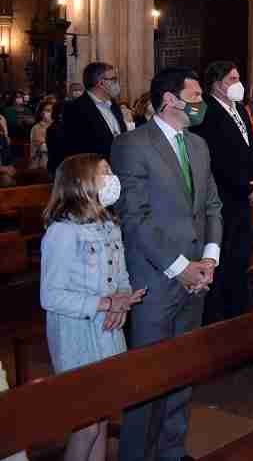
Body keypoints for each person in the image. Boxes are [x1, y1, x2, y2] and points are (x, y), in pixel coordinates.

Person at [112, 66, 223, 461]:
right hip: (157, 278)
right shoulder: (133, 144)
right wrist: (181, 267)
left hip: (197, 274)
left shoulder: (198, 145)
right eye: (194, 95)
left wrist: (209, 259)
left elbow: (211, 205)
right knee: (148, 378)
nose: (200, 103)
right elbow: (135, 218)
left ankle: (172, 452)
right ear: (170, 99)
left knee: (183, 372)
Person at [39, 153, 146, 461]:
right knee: (85, 425)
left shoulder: (109, 224)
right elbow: (51, 295)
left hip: (108, 329)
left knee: (101, 420)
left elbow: (121, 276)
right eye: (105, 172)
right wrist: (105, 302)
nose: (112, 178)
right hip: (76, 333)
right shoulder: (62, 232)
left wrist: (122, 301)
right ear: (82, 183)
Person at [190, 61, 253, 323]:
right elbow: (218, 160)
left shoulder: (240, 110)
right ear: (217, 84)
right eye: (233, 78)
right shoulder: (207, 112)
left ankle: (238, 316)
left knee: (239, 260)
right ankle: (220, 322)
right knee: (222, 263)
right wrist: (247, 188)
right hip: (225, 199)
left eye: (238, 77)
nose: (238, 83)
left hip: (245, 196)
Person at [61, 62, 127, 163]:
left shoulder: (114, 105)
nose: (117, 83)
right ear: (100, 83)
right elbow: (77, 148)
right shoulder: (75, 108)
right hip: (94, 169)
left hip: (120, 167)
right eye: (113, 79)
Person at [29, 101, 55, 170]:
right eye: (47, 110)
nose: (50, 112)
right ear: (41, 113)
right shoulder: (36, 128)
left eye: (51, 110)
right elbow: (44, 148)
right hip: (40, 165)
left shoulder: (57, 126)